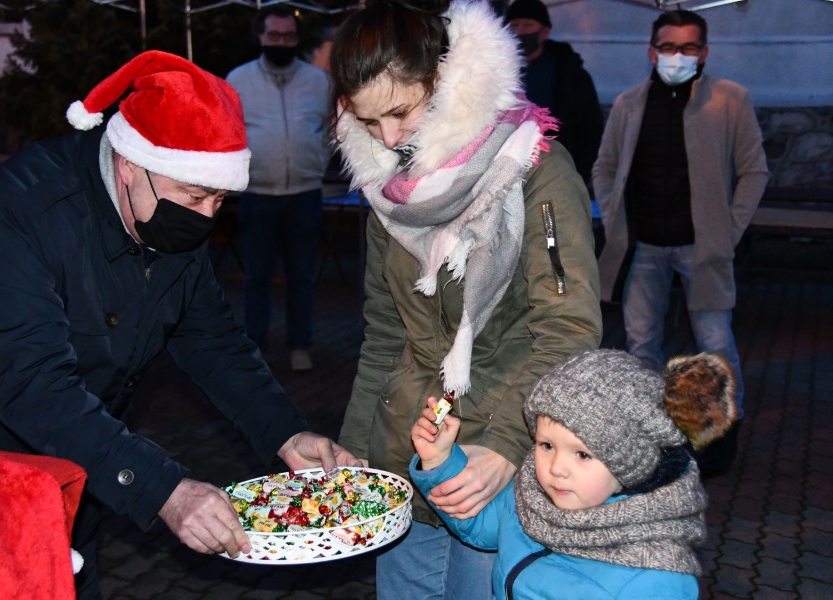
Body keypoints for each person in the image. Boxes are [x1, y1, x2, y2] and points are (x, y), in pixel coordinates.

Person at [0, 50, 358, 599]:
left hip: (84, 458)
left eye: (220, 199)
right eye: (195, 195)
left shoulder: (165, 213)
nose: (207, 217)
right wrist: (166, 490)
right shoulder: (17, 215)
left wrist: (285, 431)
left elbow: (213, 341)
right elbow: (33, 386)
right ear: (131, 164)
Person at [329, 1, 602, 597]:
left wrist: (505, 446)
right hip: (407, 458)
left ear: (448, 78)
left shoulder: (535, 169)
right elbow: (385, 336)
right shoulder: (387, 190)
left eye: (401, 111)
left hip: (494, 463)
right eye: (371, 122)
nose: (390, 138)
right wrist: (353, 452)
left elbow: (569, 330)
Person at [592, 9, 769, 478]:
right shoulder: (629, 104)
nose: (678, 56)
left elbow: (755, 171)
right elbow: (604, 168)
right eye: (669, 47)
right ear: (652, 52)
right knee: (641, 346)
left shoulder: (731, 101)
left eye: (689, 48)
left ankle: (720, 439)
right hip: (643, 249)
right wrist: (614, 220)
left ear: (704, 53)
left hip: (702, 249)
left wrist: (728, 231)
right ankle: (655, 439)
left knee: (715, 345)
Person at [411, 349, 737, 599]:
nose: (556, 468)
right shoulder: (532, 495)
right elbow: (481, 525)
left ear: (629, 462)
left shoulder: (654, 578)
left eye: (582, 454)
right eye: (546, 445)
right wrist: (440, 462)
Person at [225, 5, 333, 371]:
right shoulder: (238, 81)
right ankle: (255, 346)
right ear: (261, 36)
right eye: (274, 35)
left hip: (304, 193)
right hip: (258, 194)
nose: (281, 42)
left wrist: (316, 159)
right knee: (256, 277)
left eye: (288, 36)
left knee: (302, 276)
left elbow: (331, 130)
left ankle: (299, 344)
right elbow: (228, 131)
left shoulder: (319, 81)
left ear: (296, 38)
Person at [504, 0, 604, 191]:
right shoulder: (493, 71)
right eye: (514, 25)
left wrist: (576, 172)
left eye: (529, 25)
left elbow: (590, 128)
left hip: (555, 174)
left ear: (544, 32)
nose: (521, 32)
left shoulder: (570, 74)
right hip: (505, 175)